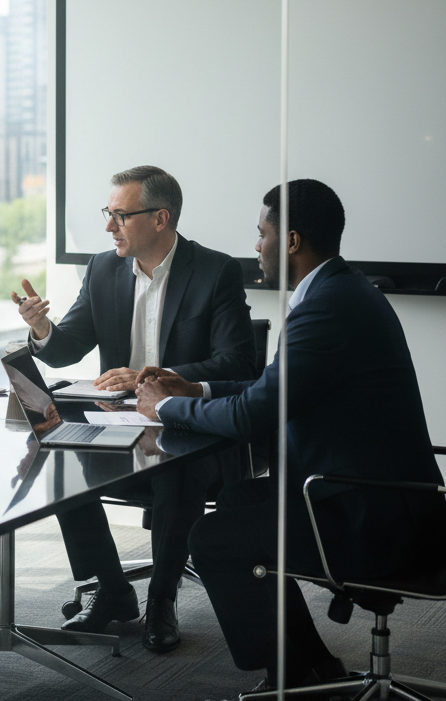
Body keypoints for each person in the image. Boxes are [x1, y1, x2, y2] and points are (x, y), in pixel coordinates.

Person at [137, 179, 446, 693]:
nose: (256, 246)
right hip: (374, 497)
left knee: (213, 538)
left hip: (375, 519)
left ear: (293, 242)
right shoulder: (339, 290)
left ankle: (292, 678)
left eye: (262, 234)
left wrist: (166, 406)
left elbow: (251, 417)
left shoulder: (326, 306)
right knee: (237, 501)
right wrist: (199, 386)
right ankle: (313, 666)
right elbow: (273, 389)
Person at [13, 165, 255, 651]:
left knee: (175, 468)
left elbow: (238, 362)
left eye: (120, 216)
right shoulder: (103, 268)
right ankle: (112, 589)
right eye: (109, 214)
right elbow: (67, 347)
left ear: (160, 218)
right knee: (56, 451)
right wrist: (41, 329)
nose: (109, 227)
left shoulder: (215, 271)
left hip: (191, 429)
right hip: (116, 424)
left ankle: (161, 601)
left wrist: (151, 376)